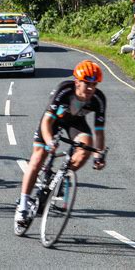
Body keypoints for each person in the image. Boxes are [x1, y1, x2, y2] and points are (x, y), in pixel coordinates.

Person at [15, 60, 107, 225]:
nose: (91, 89)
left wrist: (98, 155)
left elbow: (99, 131)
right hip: (54, 120)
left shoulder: (98, 99)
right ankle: (22, 206)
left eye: (94, 85)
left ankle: (61, 175)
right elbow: (46, 122)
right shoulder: (64, 90)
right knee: (38, 156)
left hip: (76, 122)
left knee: (86, 147)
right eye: (87, 84)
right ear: (77, 82)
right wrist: (50, 142)